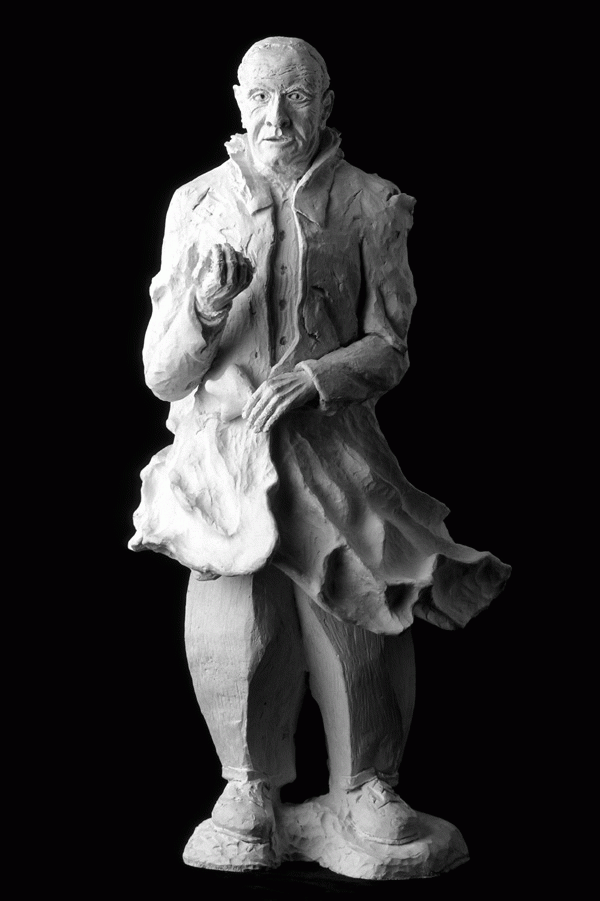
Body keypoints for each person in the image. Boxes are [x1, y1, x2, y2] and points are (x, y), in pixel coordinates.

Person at [130, 36, 510, 871]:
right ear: (237, 100)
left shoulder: (372, 203)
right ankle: (246, 785)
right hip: (224, 464)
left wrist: (317, 378)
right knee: (235, 623)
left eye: (298, 96)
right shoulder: (196, 204)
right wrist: (203, 307)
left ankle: (368, 781)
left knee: (360, 613)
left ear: (326, 105)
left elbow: (391, 348)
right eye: (262, 97)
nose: (277, 117)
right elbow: (162, 372)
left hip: (335, 453)